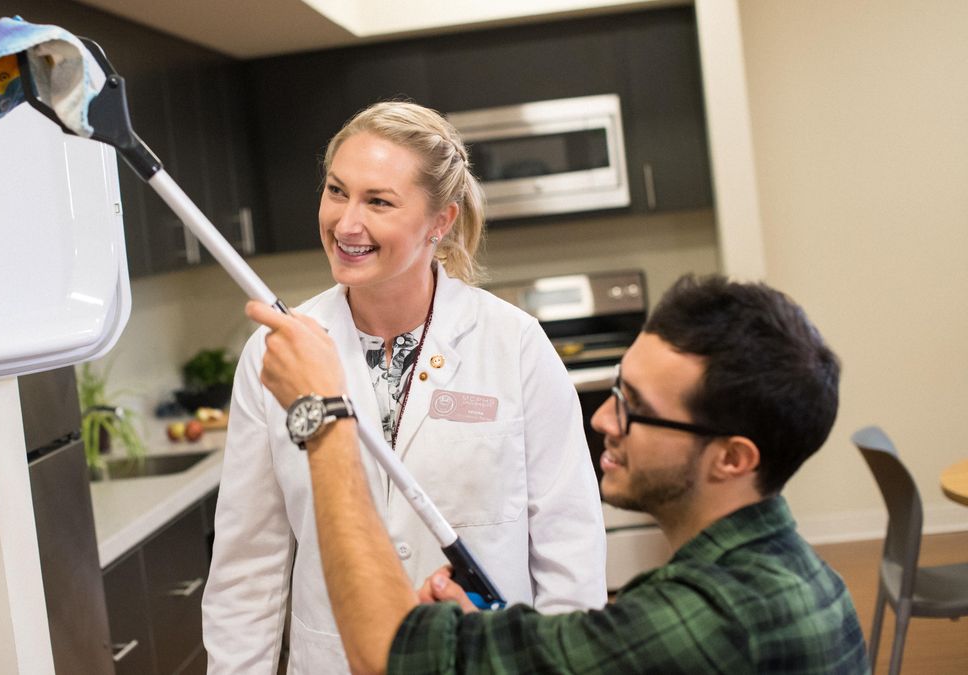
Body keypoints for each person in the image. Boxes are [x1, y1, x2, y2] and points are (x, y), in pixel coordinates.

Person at [244, 274, 870, 674]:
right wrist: (489, 639)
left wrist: (323, 417)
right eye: (617, 391)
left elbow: (386, 653)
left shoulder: (708, 620)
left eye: (637, 410)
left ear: (733, 458)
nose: (604, 419)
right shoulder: (796, 579)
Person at [202, 101, 607, 673]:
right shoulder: (281, 354)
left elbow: (570, 549)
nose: (346, 223)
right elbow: (248, 565)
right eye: (337, 191)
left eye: (379, 202)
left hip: (479, 659)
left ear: (440, 220)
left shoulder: (512, 344)